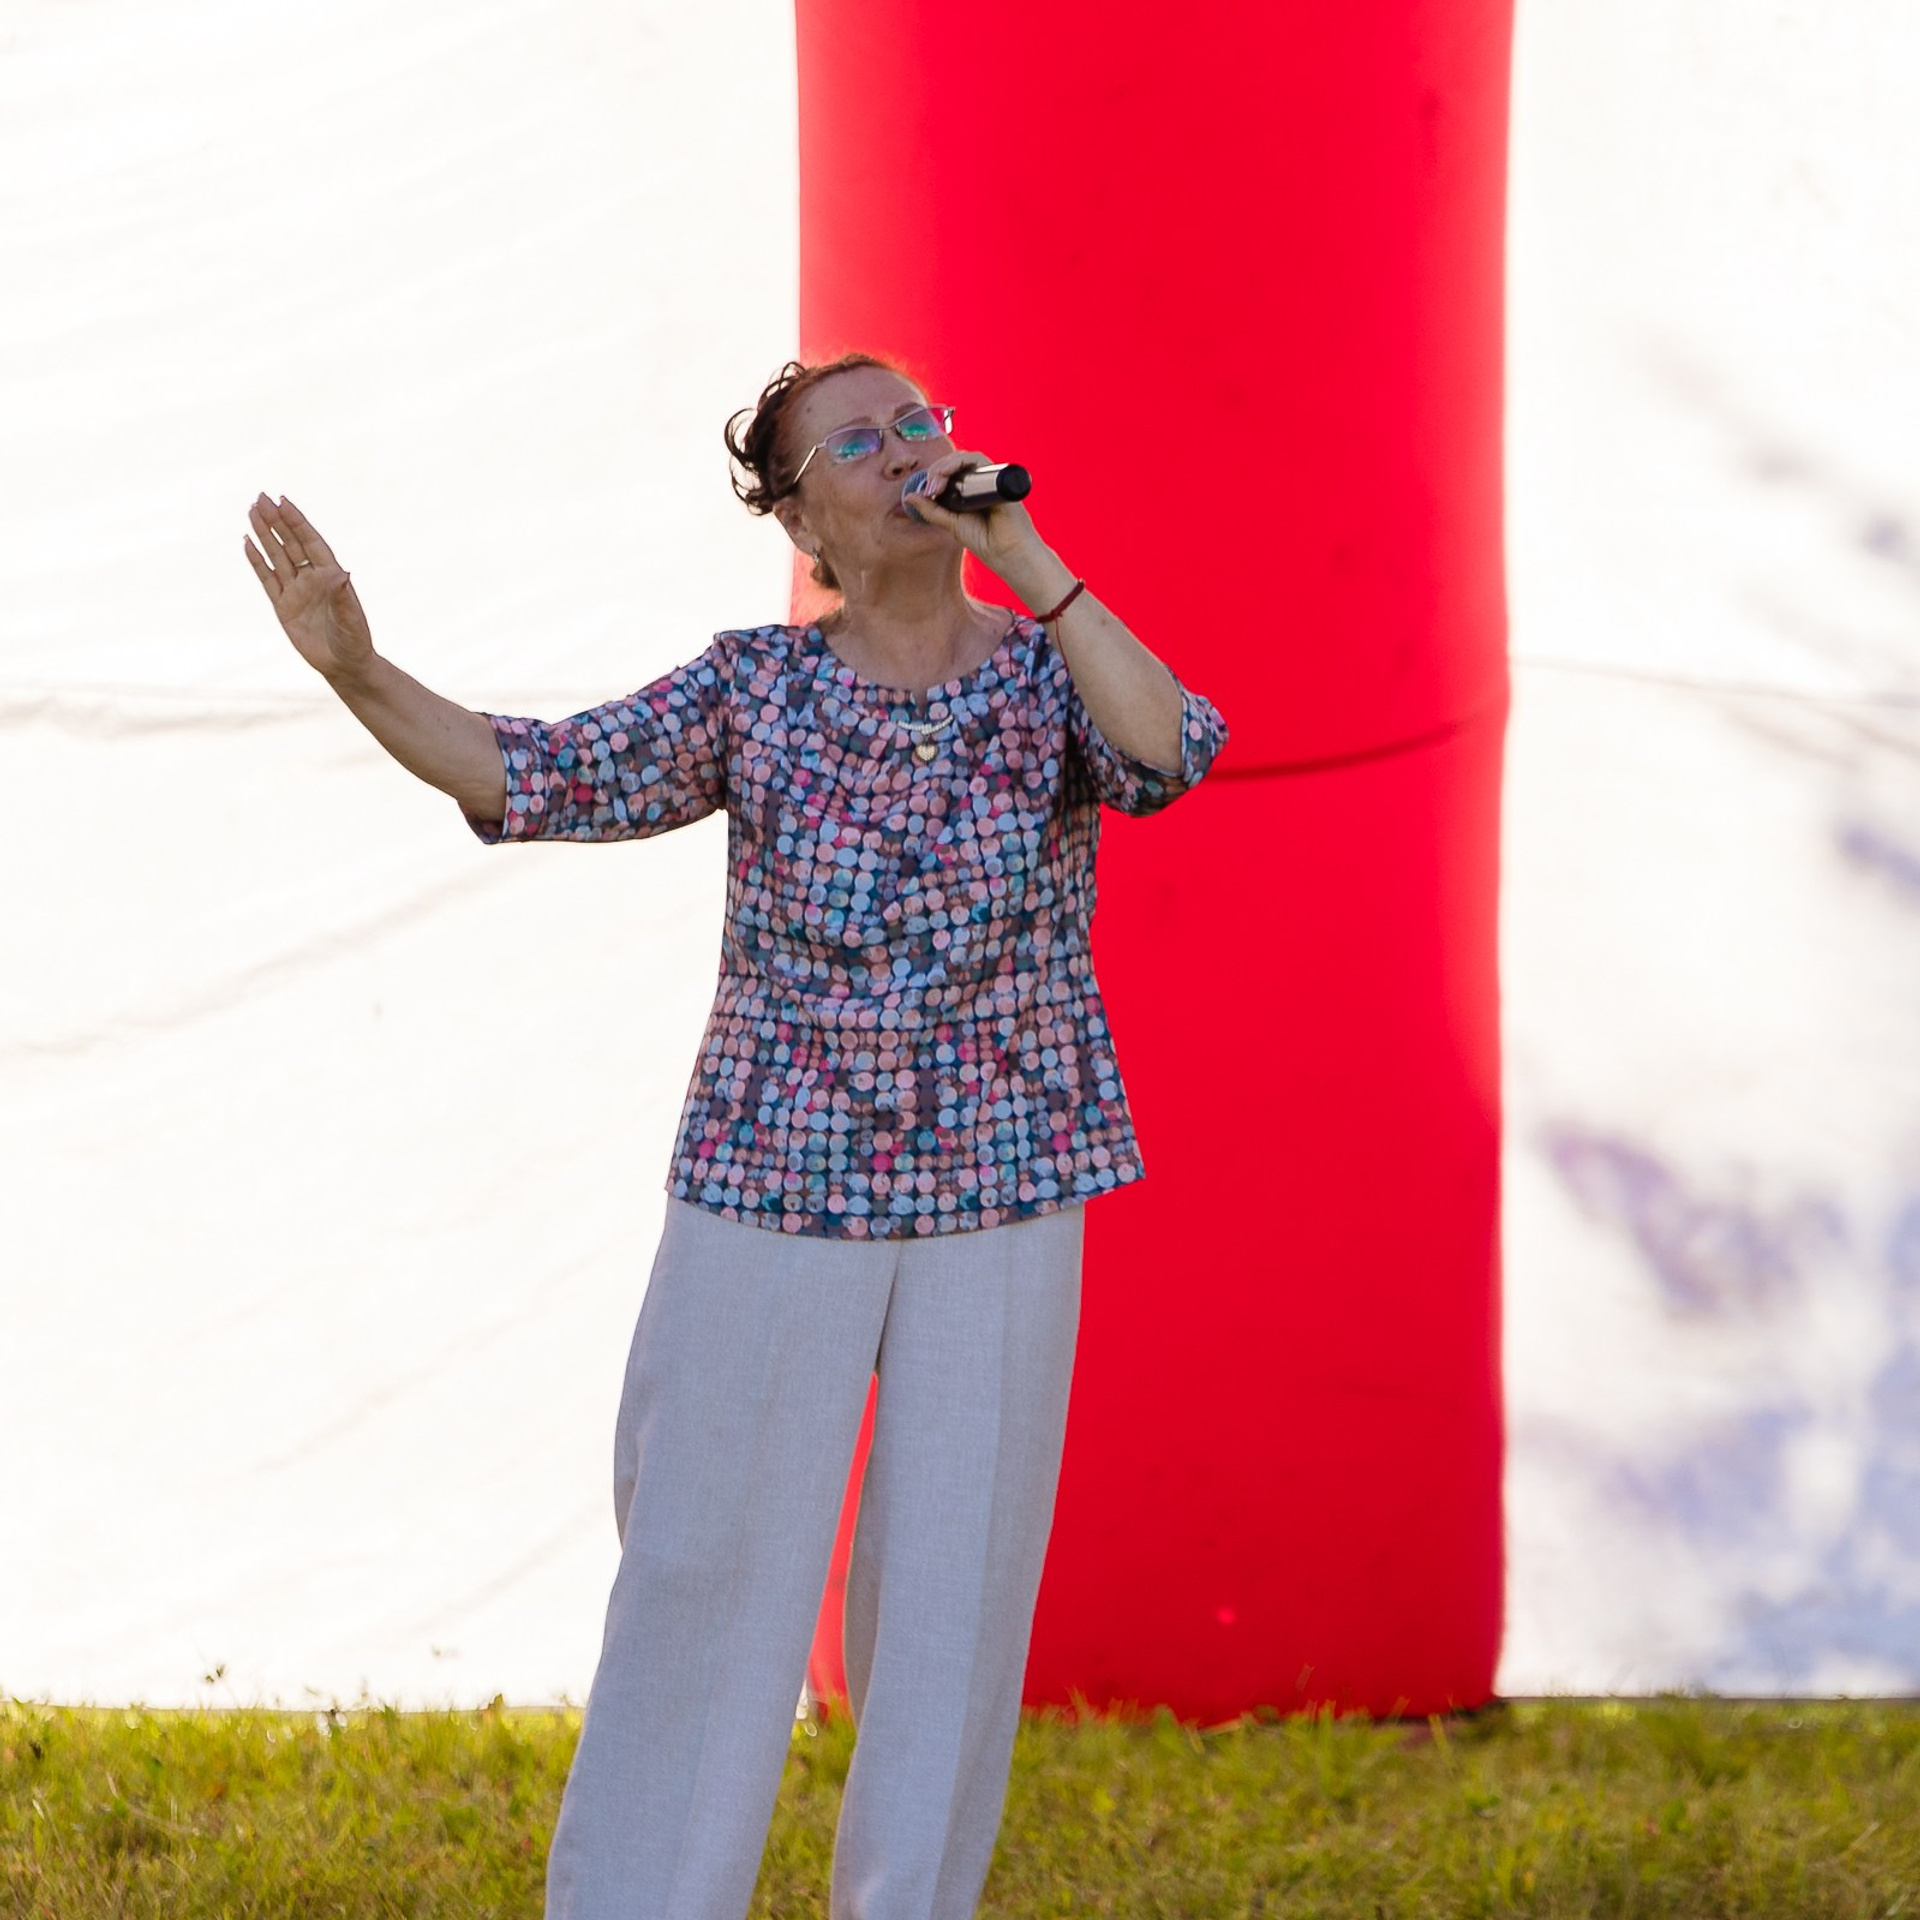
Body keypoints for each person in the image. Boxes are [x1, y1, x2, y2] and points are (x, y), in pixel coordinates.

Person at [242, 351, 1228, 1920]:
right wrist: (358, 670)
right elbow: (535, 774)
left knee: (953, 1602)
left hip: (1008, 1179)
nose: (907, 449)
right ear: (803, 523)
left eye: (921, 420)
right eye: (859, 441)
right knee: (702, 1569)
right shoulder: (752, 688)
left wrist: (1031, 565)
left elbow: (1169, 754)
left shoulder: (1052, 663)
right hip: (773, 1184)